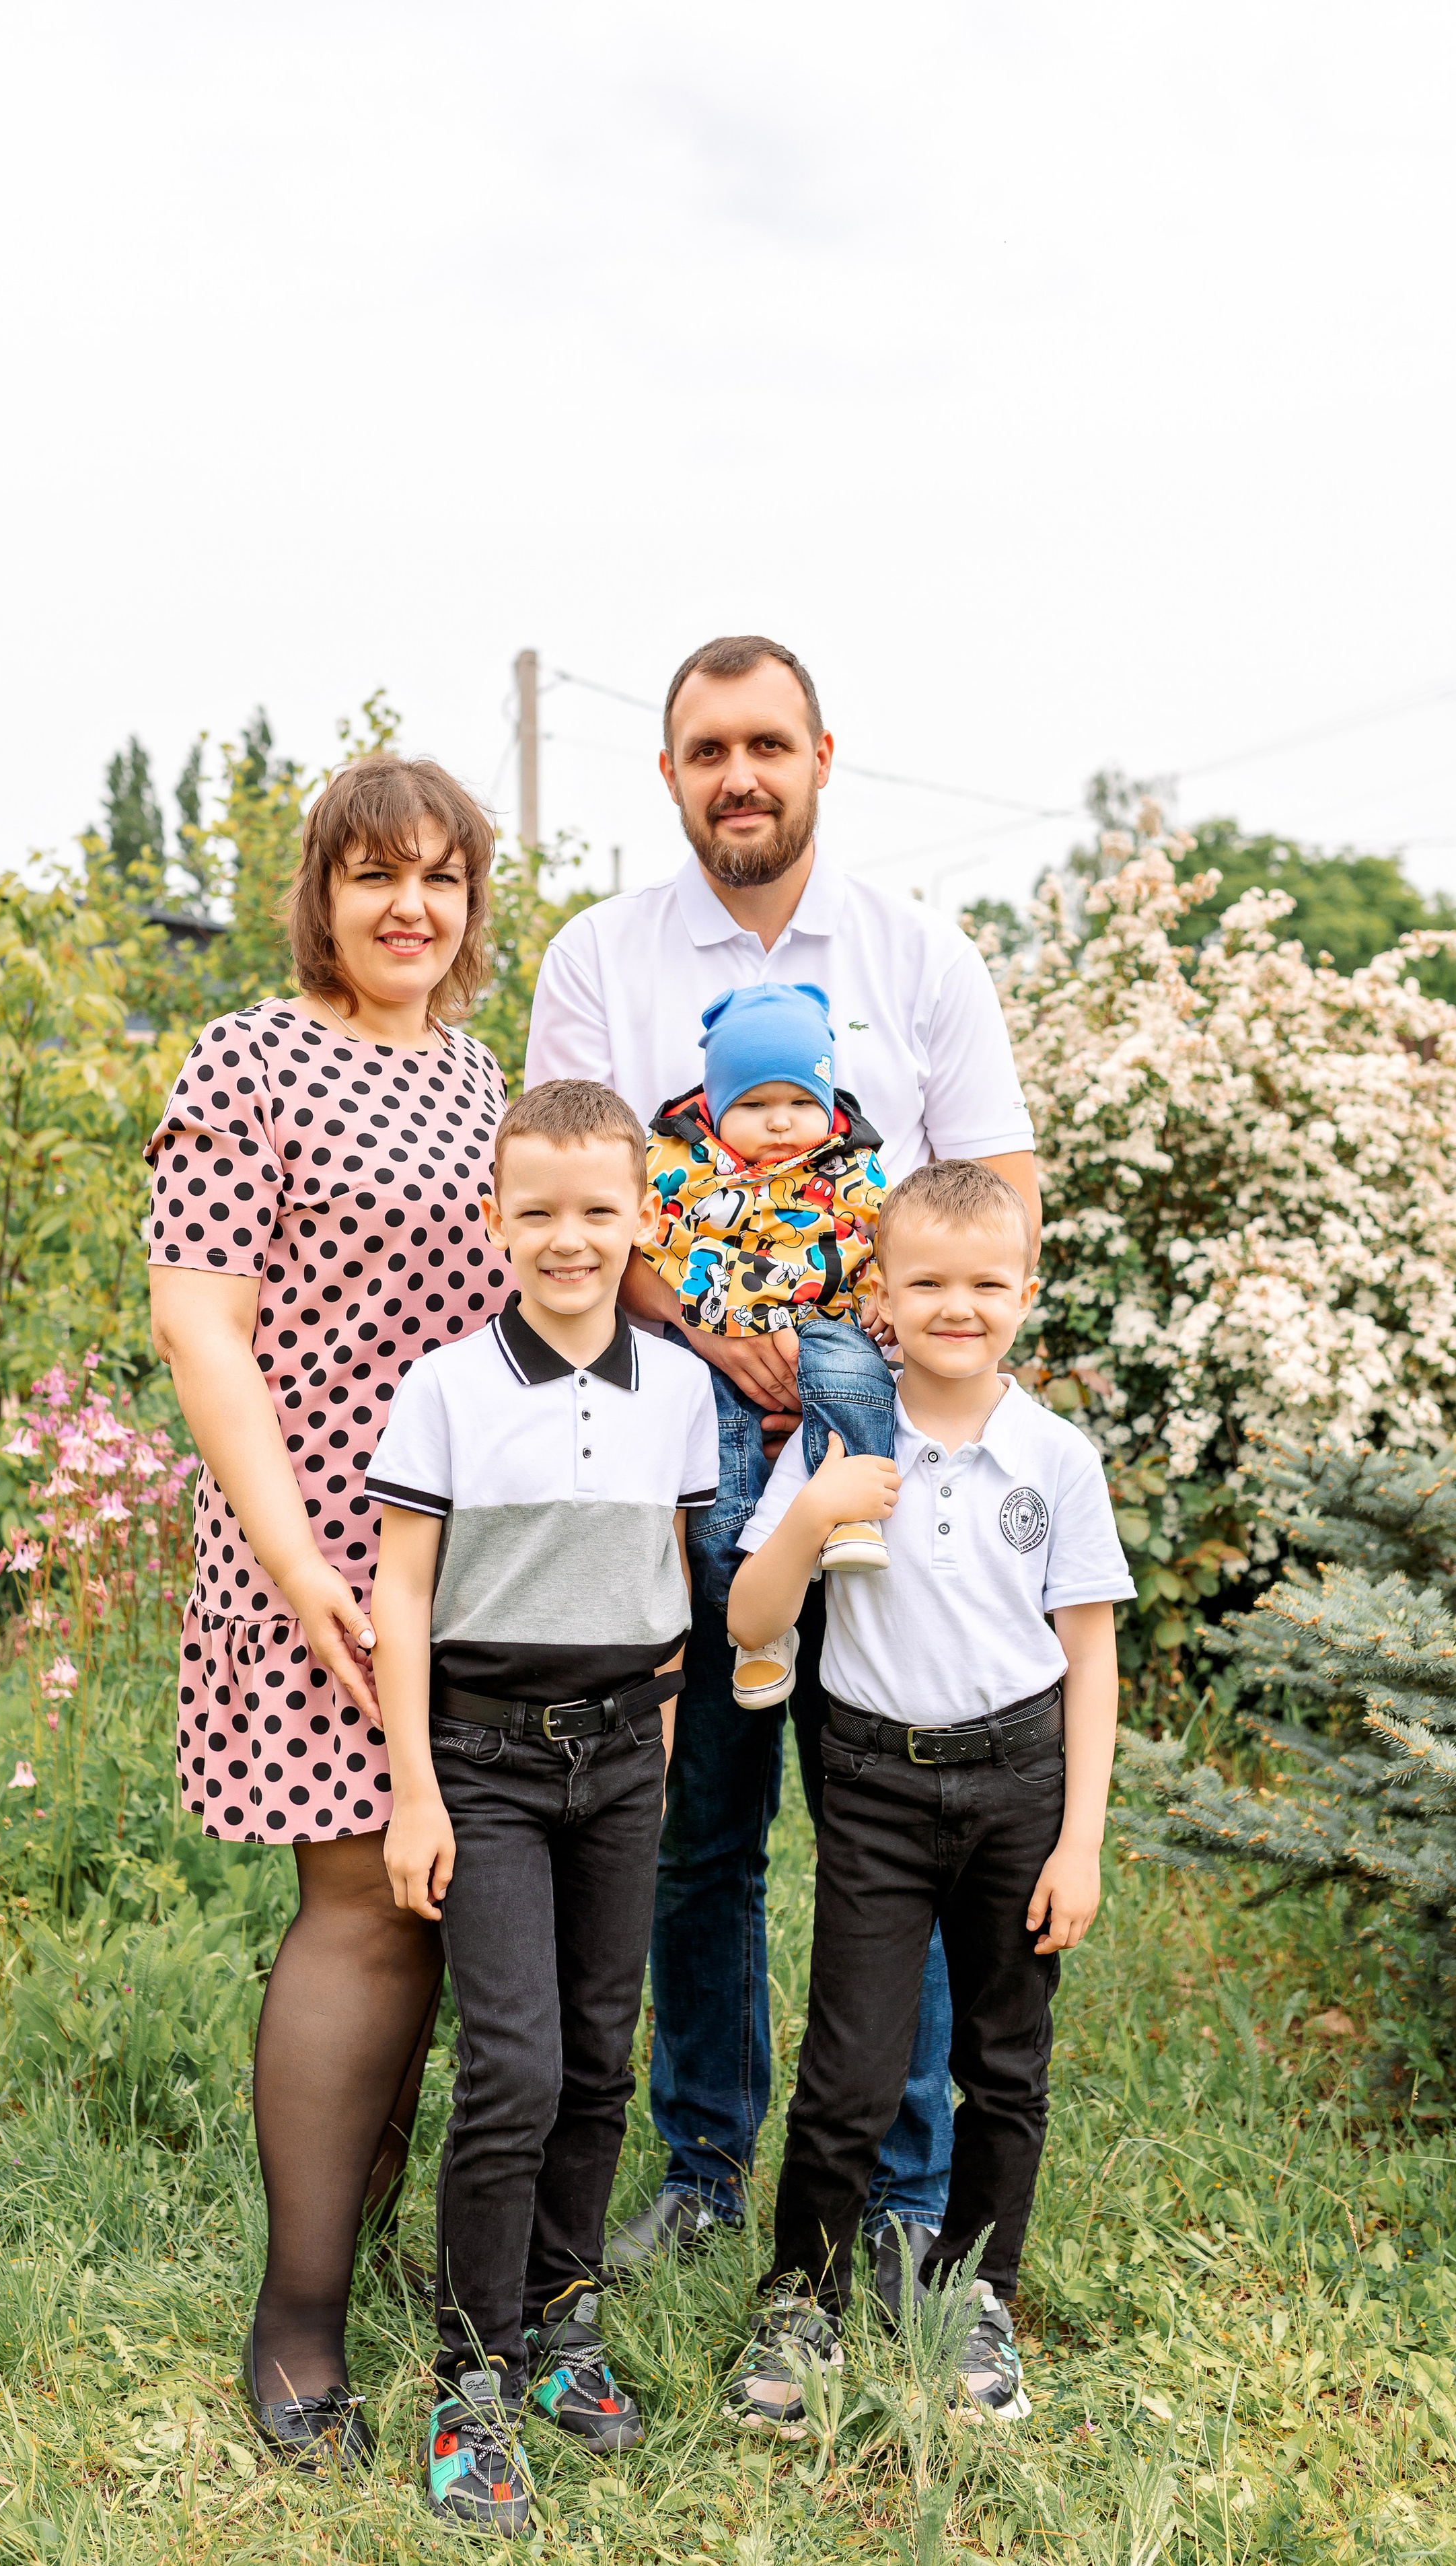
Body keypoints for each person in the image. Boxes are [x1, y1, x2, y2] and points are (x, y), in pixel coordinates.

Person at [523, 633, 1040, 2289]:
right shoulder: (600, 959)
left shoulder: (917, 958)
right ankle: (695, 2161)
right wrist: (702, 1325)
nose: (736, 774)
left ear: (822, 753)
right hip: (668, 1462)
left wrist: (870, 1349)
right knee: (699, 1828)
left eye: (764, 743)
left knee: (897, 1820)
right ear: (666, 773)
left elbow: (998, 1199)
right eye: (703, 750)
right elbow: (566, 1196)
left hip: (882, 1473)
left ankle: (898, 2192)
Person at [145, 754, 511, 2474]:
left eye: (438, 876)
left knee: (450, 1892)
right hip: (315, 1548)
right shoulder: (250, 1054)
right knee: (361, 1899)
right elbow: (202, 1328)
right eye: (373, 875)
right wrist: (302, 1573)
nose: (407, 906)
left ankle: (371, 2226)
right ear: (321, 890)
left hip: (472, 1564)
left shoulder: (475, 1072)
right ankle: (297, 2316)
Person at [725, 1161, 1132, 2424]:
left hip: (1019, 1781)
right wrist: (813, 1516)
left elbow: (1091, 1655)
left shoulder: (1055, 1457)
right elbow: (749, 1619)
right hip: (876, 1786)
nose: (961, 1306)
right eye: (930, 1284)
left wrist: (1081, 1842)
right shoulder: (843, 1443)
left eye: (987, 1284)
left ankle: (974, 2296)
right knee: (851, 2062)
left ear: (1025, 1294)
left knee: (1005, 2062)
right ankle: (804, 2297)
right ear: (884, 1301)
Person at [367, 1079, 717, 2537]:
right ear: (494, 1215)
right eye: (537, 1210)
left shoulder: (681, 1388)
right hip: (487, 1765)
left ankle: (565, 2315)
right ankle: (475, 2374)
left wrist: (660, 1748)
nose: (567, 1238)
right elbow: (397, 1588)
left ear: (640, 1218)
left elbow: (673, 1596)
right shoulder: (448, 1385)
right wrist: (414, 1791)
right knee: (511, 2065)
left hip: (622, 1761)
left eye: (596, 1209)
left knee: (595, 2056)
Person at [640, 976, 899, 1710]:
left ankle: (852, 1505)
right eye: (753, 1105)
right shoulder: (680, 1168)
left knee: (854, 1370)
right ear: (717, 1109)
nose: (780, 1124)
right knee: (721, 1485)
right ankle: (755, 1632)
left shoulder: (853, 1166)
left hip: (828, 1326)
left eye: (798, 1103)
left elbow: (890, 1240)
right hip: (717, 1353)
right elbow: (647, 1246)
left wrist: (882, 1294)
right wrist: (703, 1324)